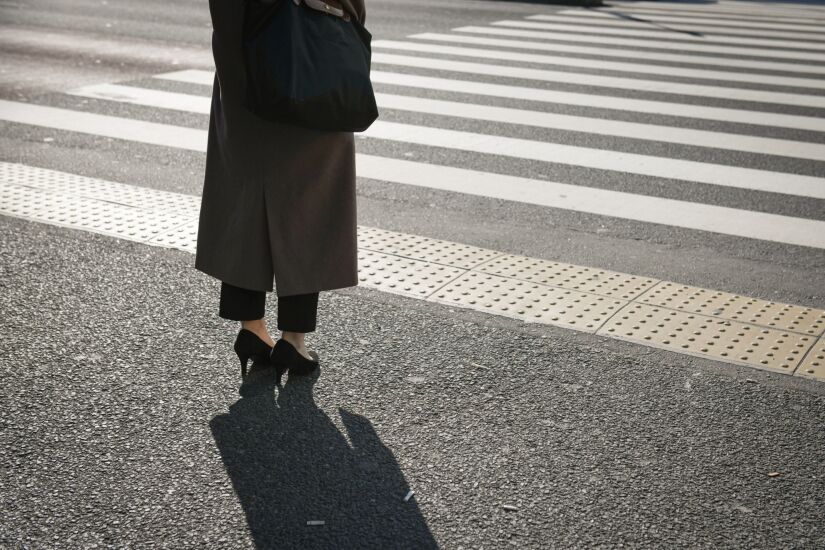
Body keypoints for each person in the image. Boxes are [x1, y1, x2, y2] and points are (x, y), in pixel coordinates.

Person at [195, 0, 367, 383]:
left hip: (248, 68)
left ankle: (251, 327)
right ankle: (294, 337)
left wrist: (236, 85)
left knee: (246, 201)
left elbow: (225, 16)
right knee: (311, 205)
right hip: (315, 68)